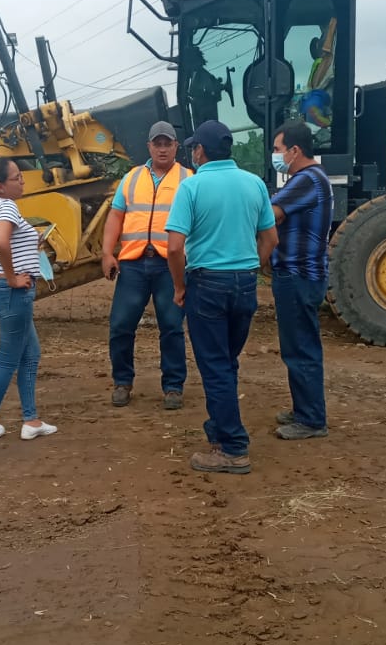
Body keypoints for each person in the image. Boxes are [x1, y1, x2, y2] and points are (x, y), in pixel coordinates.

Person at [164, 120, 278, 475]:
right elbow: (271, 239)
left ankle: (233, 447)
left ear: (200, 150)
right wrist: (251, 268)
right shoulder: (254, 183)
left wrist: (179, 287)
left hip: (207, 284)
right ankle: (218, 429)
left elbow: (174, 248)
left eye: (192, 148)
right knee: (226, 362)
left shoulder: (191, 187)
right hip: (244, 283)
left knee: (215, 367)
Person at [102, 121, 193, 410]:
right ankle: (122, 382)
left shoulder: (188, 179)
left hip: (171, 266)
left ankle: (173, 386)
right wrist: (107, 253)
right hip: (133, 264)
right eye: (157, 143)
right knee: (120, 325)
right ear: (149, 147)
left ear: (176, 146)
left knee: (172, 326)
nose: (162, 149)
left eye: (168, 143)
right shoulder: (131, 178)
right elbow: (116, 216)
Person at [0, 157, 58, 444]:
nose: (22, 180)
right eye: (17, 177)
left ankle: (31, 420)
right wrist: (12, 278)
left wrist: (28, 245)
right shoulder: (7, 206)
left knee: (30, 354)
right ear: (0, 185)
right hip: (12, 293)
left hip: (2, 292)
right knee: (7, 361)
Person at [269, 121, 333, 440]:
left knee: (300, 348)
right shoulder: (311, 179)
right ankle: (304, 408)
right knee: (297, 345)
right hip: (301, 274)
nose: (275, 155)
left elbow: (269, 214)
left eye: (278, 149)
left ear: (295, 150)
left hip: (298, 274)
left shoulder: (306, 179)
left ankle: (311, 420)